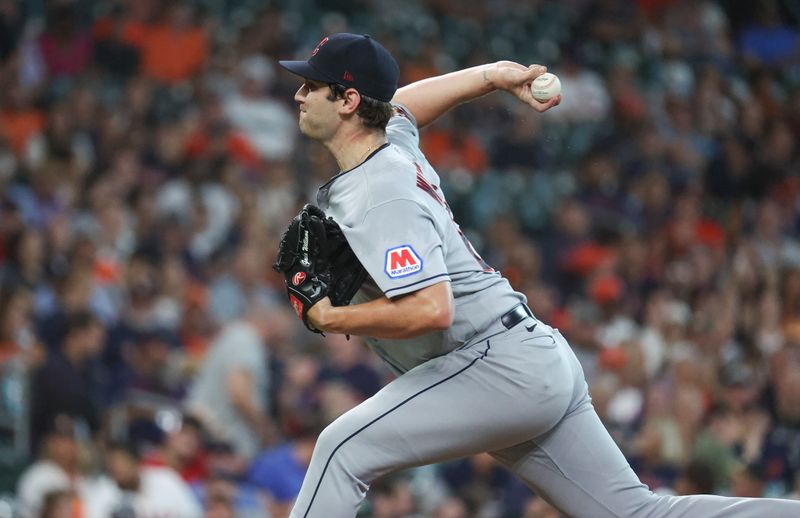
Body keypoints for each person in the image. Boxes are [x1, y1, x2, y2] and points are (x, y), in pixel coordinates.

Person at [276, 32, 800, 517]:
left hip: (492, 365)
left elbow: (432, 309)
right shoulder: (389, 143)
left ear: (347, 102)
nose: (299, 95)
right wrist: (491, 76)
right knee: (636, 513)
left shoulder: (380, 190)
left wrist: (332, 316)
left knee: (340, 449)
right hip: (525, 357)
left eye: (311, 85)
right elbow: (405, 106)